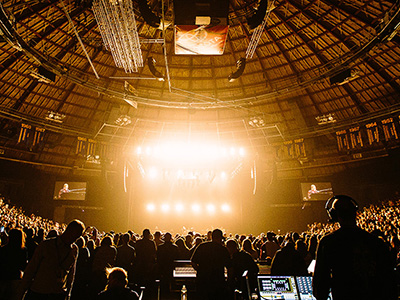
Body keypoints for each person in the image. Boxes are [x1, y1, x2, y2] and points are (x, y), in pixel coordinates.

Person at [313, 195, 397, 300]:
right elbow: (389, 279)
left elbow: (320, 285)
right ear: (355, 213)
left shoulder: (328, 242)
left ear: (334, 215)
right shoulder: (376, 242)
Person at [18, 219, 85, 300]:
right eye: (75, 235)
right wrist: (22, 291)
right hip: (39, 292)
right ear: (69, 230)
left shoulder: (74, 250)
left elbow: (71, 273)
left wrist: (68, 293)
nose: (75, 239)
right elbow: (31, 269)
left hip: (58, 294)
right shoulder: (46, 245)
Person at [191, 228, 231, 300]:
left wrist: (199, 270)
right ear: (220, 238)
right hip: (217, 281)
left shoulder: (202, 246)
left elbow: (193, 261)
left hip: (203, 280)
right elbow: (229, 267)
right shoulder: (223, 249)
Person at [0, 228, 28, 300]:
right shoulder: (23, 250)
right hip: (15, 277)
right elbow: (23, 265)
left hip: (3, 276)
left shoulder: (3, 249)